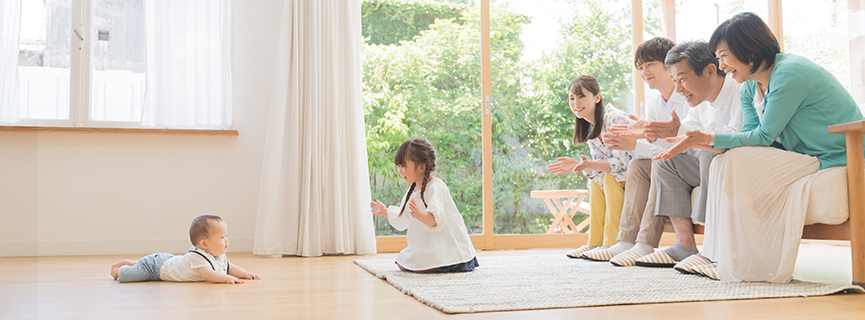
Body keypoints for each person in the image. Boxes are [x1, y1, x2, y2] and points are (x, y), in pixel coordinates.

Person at [656, 12, 864, 282]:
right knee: (726, 160)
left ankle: (739, 261)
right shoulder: (748, 87)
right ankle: (721, 256)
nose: (720, 65)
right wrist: (707, 141)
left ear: (747, 47)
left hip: (838, 155)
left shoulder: (790, 73)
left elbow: (763, 136)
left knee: (733, 160)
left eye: (723, 56)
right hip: (803, 156)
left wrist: (707, 138)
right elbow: (748, 136)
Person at [580, 38, 692, 265]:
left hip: (687, 162)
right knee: (638, 165)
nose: (644, 72)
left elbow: (681, 147)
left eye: (649, 64)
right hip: (666, 160)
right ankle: (627, 241)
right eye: (640, 68)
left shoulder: (688, 96)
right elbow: (652, 148)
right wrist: (637, 143)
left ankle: (645, 243)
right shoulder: (653, 103)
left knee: (657, 165)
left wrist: (636, 144)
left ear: (669, 64)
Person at [631, 40, 742, 268]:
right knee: (665, 162)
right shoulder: (698, 103)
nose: (679, 89)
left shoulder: (740, 91)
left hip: (734, 163)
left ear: (711, 71)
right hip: (706, 164)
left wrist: (692, 136)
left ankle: (714, 247)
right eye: (675, 81)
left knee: (711, 152)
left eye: (682, 79)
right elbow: (683, 136)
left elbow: (738, 135)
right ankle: (685, 244)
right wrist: (657, 135)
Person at [547, 75, 634, 259]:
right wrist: (581, 166)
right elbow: (599, 166)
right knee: (597, 182)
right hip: (620, 175)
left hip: (639, 173)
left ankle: (612, 243)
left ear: (597, 97)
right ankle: (594, 242)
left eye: (581, 96)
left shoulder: (613, 118)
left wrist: (588, 165)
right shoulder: (589, 126)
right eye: (571, 98)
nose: (575, 103)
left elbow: (622, 163)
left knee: (609, 179)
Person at [370, 138, 479, 273]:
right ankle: (428, 262)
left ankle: (449, 263)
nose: (400, 171)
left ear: (422, 167)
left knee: (419, 267)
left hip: (444, 245)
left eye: (404, 167)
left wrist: (419, 215)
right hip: (427, 244)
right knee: (402, 262)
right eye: (399, 167)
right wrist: (385, 212)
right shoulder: (412, 191)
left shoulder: (436, 187)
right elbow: (403, 218)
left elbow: (434, 219)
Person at [111, 215, 261, 284]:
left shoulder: (218, 254)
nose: (226, 240)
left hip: (168, 261)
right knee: (129, 277)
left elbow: (229, 267)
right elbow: (208, 275)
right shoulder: (198, 256)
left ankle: (133, 262)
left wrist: (245, 274)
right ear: (204, 244)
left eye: (226, 236)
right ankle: (122, 269)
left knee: (140, 267)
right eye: (222, 237)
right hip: (155, 268)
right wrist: (227, 278)